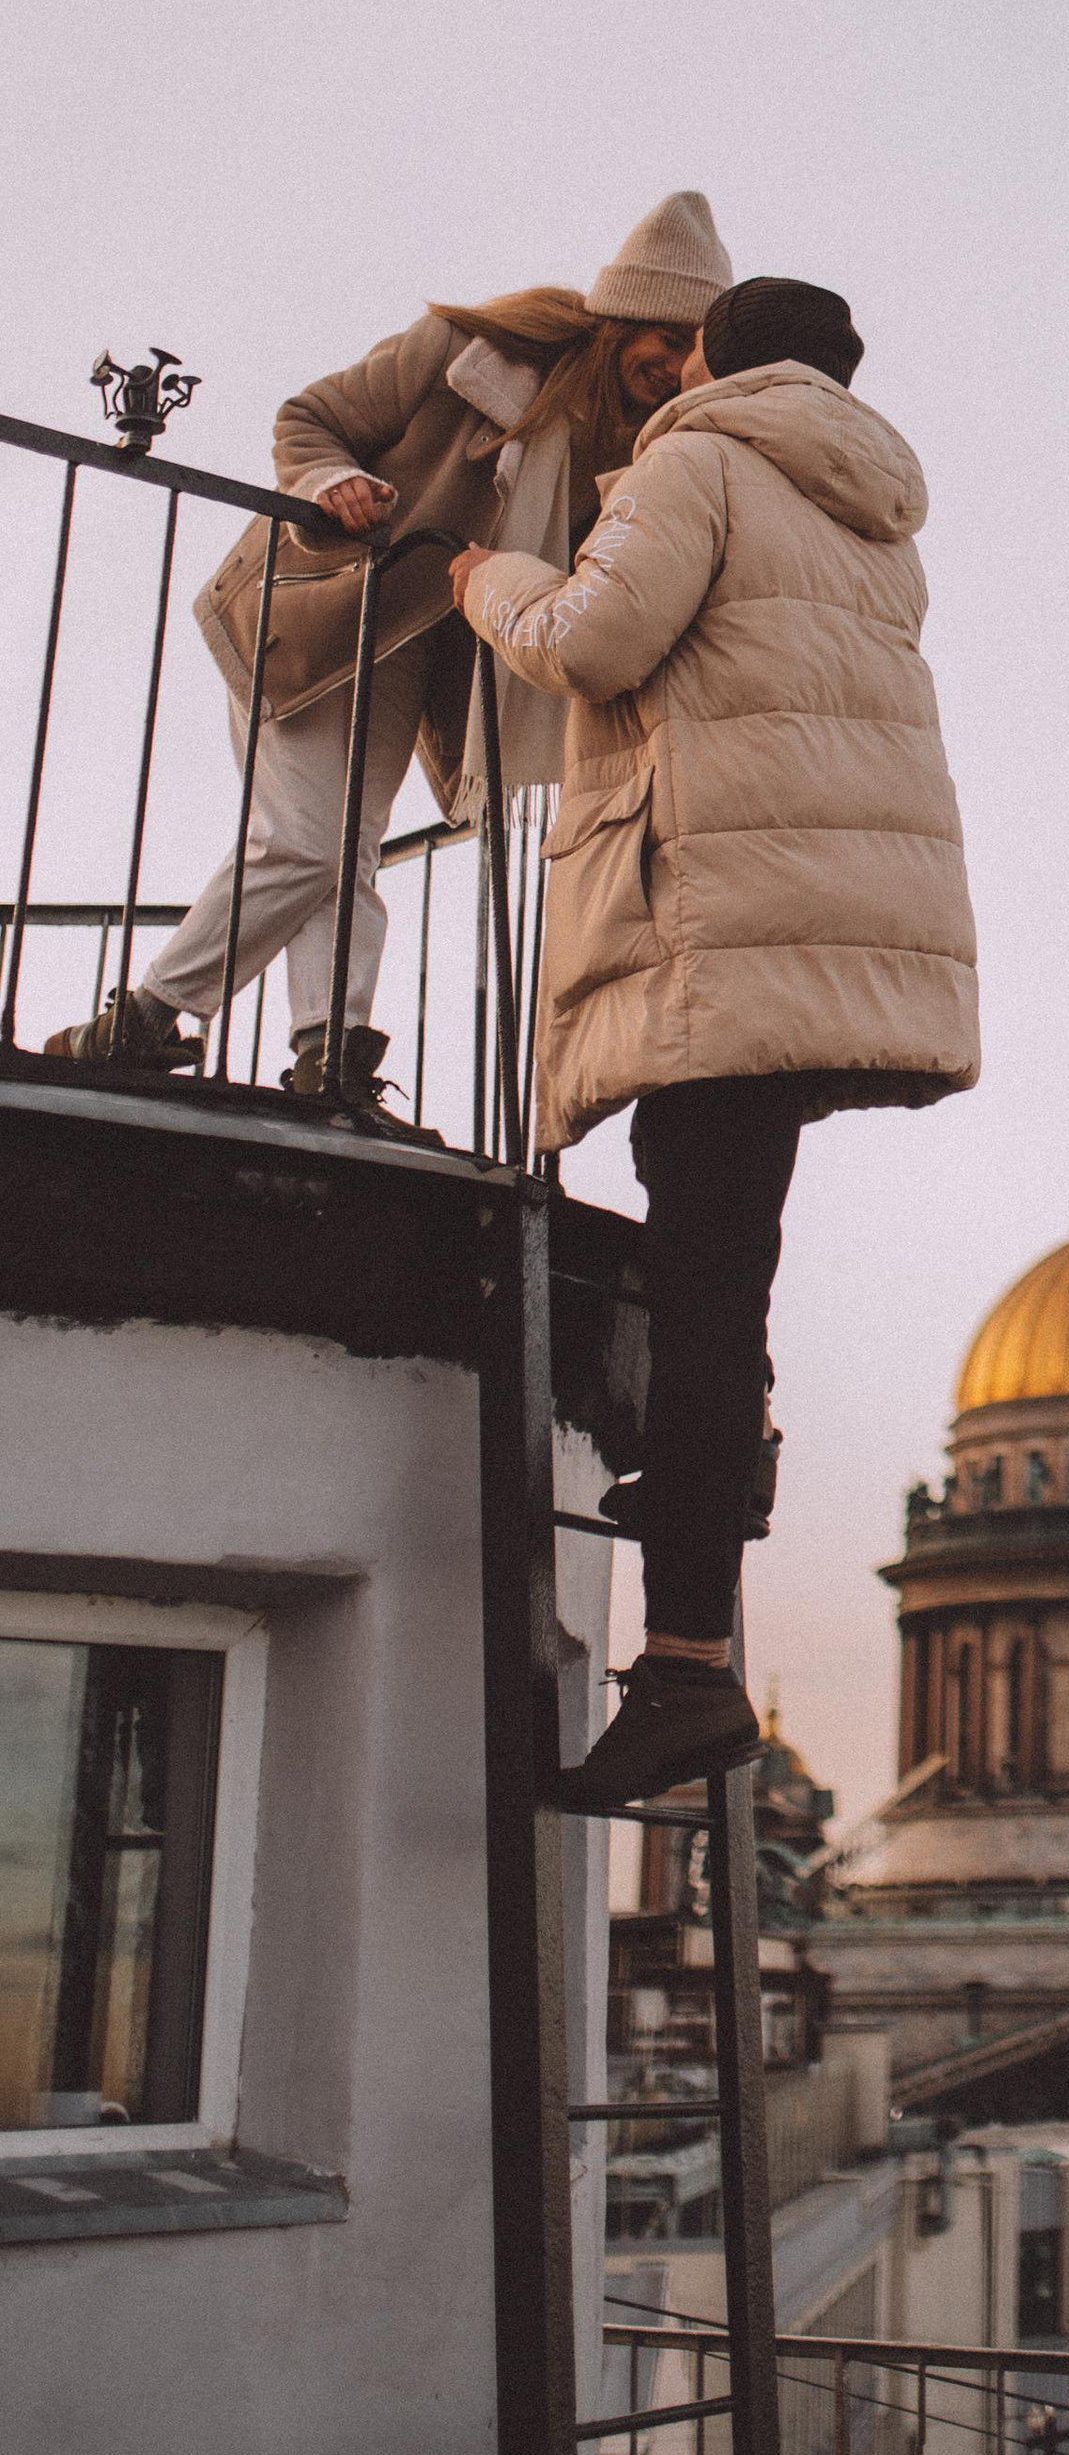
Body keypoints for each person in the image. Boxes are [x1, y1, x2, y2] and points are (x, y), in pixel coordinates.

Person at [453, 272, 978, 1806]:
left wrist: (488, 573)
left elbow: (591, 641)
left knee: (701, 1275)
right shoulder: (877, 513)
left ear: (724, 358)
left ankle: (684, 1656)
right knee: (725, 1262)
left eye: (689, 345)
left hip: (719, 923)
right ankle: (709, 1487)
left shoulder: (701, 456)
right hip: (826, 931)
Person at [48, 192, 734, 1115]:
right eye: (667, 340)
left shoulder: (636, 451)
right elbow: (310, 417)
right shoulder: (470, 353)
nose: (673, 368)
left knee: (344, 848)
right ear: (626, 320)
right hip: (316, 611)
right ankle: (144, 1015)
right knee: (302, 841)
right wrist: (334, 481)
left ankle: (329, 1052)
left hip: (410, 642)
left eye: (693, 355)